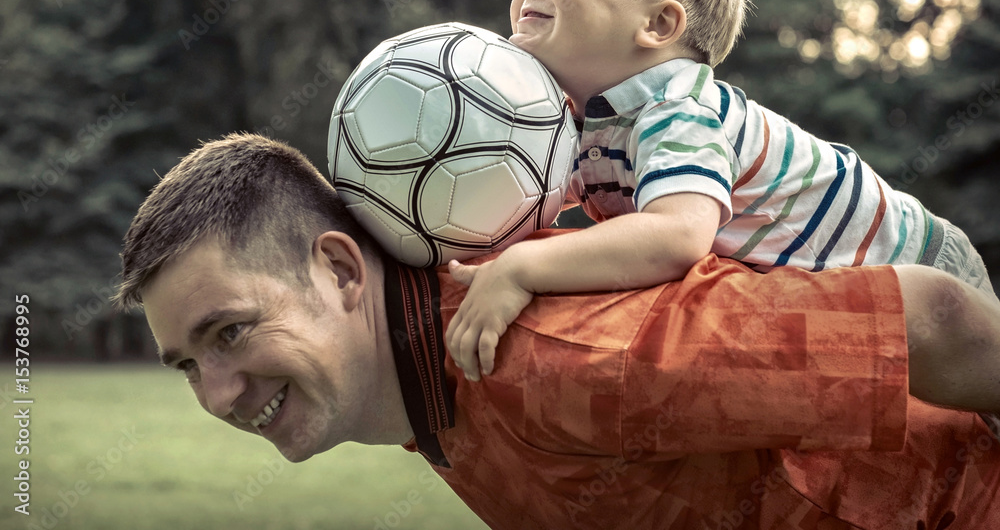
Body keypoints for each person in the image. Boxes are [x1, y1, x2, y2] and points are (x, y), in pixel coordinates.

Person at [116, 134, 1000, 529]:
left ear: (342, 271)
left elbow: (930, 319)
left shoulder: (554, 360)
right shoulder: (438, 394)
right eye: (186, 364)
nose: (217, 396)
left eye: (228, 332)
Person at [445, 0, 995, 383]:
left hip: (917, 261)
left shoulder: (674, 108)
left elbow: (675, 237)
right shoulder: (584, 123)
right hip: (854, 283)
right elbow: (528, 201)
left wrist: (520, 269)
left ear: (658, 26)